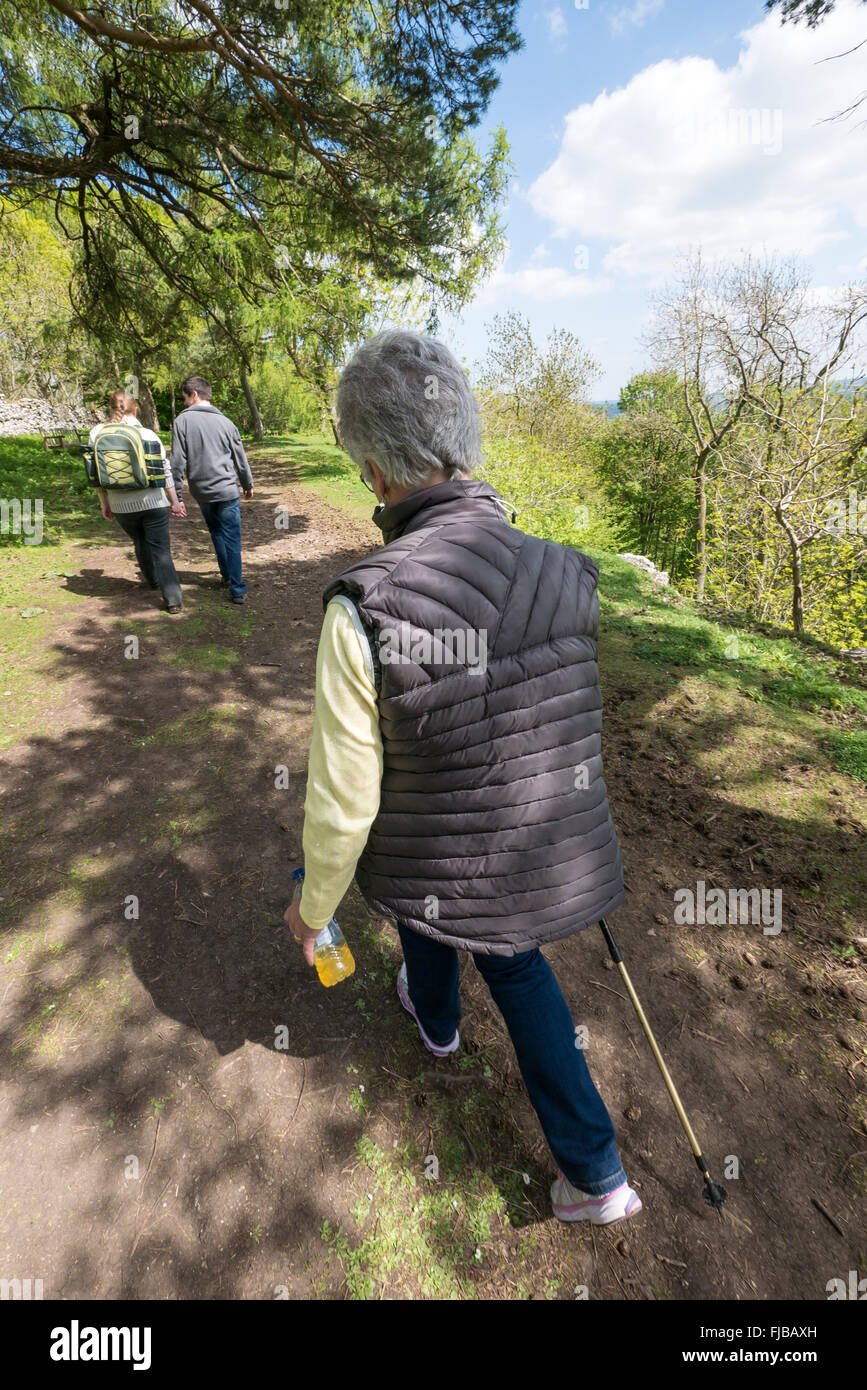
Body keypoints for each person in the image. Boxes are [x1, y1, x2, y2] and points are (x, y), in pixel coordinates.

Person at [284, 330, 642, 1227]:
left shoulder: (363, 601)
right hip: (533, 844)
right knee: (503, 951)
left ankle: (437, 1023)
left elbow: (341, 798)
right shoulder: (569, 571)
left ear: (369, 468)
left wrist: (313, 906)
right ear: (465, 438)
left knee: (426, 889)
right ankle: (594, 1174)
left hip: (444, 848)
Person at [91, 390, 185, 613]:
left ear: (111, 409)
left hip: (120, 505)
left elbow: (95, 474)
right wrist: (175, 501)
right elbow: (164, 471)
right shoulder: (148, 434)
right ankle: (173, 600)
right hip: (153, 502)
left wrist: (104, 503)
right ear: (135, 409)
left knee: (140, 542)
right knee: (161, 549)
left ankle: (151, 580)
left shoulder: (97, 433)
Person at [169, 376, 254, 604]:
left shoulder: (182, 422)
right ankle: (237, 589)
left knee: (216, 532)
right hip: (227, 489)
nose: (185, 402)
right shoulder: (227, 423)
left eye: (185, 397)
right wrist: (247, 484)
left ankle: (226, 575)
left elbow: (177, 462)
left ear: (194, 394)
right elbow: (240, 459)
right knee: (232, 538)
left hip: (201, 491)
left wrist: (176, 495)